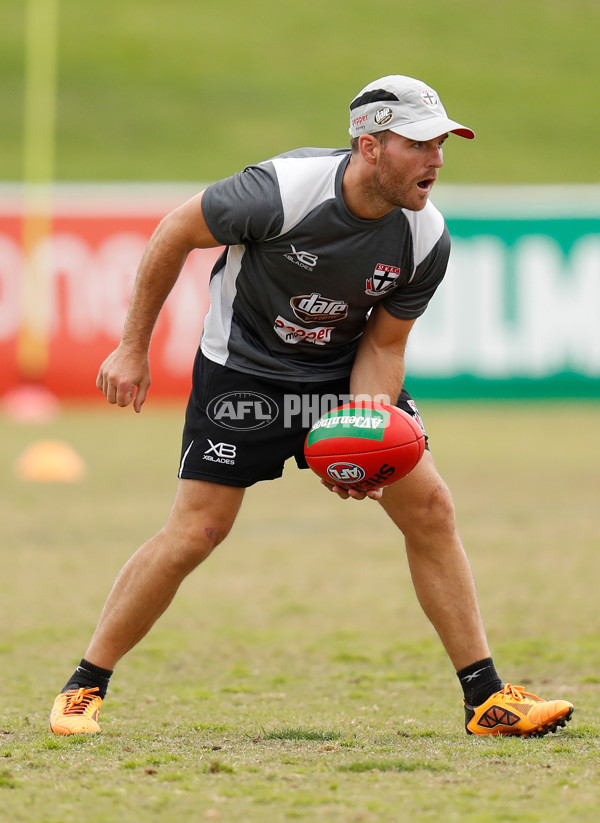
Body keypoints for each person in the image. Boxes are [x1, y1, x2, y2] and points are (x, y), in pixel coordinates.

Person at [50, 75, 574, 738]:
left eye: (441, 143)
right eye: (419, 144)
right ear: (371, 146)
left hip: (340, 374)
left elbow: (384, 346)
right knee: (196, 532)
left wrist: (362, 439)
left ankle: (486, 699)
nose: (436, 159)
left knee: (432, 509)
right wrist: (132, 347)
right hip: (245, 374)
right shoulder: (280, 191)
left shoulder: (424, 236)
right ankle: (83, 686)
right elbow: (172, 233)